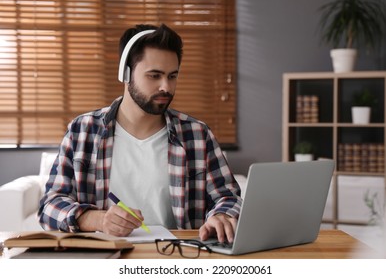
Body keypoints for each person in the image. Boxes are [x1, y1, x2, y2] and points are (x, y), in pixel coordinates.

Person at [38, 23, 242, 243]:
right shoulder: (82, 131)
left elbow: (228, 197)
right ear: (125, 73)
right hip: (106, 260)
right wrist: (96, 219)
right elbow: (49, 206)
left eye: (172, 76)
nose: (166, 87)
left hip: (178, 259)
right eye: (154, 76)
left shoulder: (197, 135)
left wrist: (222, 216)